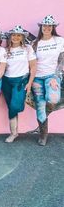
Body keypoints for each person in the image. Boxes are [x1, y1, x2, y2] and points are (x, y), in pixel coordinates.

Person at [31, 15, 63, 145]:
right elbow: (31, 63)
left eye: (49, 26)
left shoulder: (59, 41)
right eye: (44, 26)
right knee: (40, 105)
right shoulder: (35, 43)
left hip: (52, 76)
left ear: (53, 27)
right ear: (41, 27)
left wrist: (56, 76)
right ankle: (43, 135)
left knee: (53, 99)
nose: (47, 28)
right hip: (37, 78)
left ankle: (46, 113)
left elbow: (62, 60)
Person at [2, 25, 36, 143]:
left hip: (20, 81)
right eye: (13, 35)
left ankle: (14, 133)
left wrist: (30, 83)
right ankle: (14, 133)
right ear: (10, 37)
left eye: (18, 35)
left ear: (22, 37)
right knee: (10, 107)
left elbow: (33, 67)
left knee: (15, 107)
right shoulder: (6, 50)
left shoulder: (28, 49)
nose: (15, 37)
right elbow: (2, 67)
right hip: (6, 81)